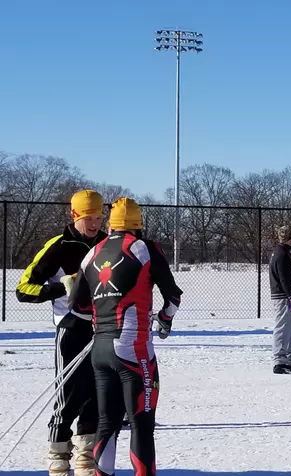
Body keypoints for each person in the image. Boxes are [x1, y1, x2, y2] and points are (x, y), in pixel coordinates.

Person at [65, 197, 183, 476]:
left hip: (100, 348)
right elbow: (174, 297)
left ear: (111, 224)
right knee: (141, 424)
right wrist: (164, 321)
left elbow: (77, 305)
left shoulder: (92, 253)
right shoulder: (144, 248)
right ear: (138, 224)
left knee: (107, 422)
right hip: (132, 348)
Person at [16, 190, 107, 476]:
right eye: (88, 217)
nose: (94, 224)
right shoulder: (59, 246)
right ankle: (58, 451)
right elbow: (23, 290)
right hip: (70, 327)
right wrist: (60, 287)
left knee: (96, 393)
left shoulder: (107, 244)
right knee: (69, 392)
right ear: (74, 215)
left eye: (98, 217)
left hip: (102, 329)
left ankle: (86, 454)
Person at [269, 224, 291, 374]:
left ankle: (289, 361)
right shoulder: (281, 254)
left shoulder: (281, 252)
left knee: (290, 329)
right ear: (289, 238)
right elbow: (284, 279)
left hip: (283, 295)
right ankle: (279, 362)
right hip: (282, 296)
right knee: (283, 328)